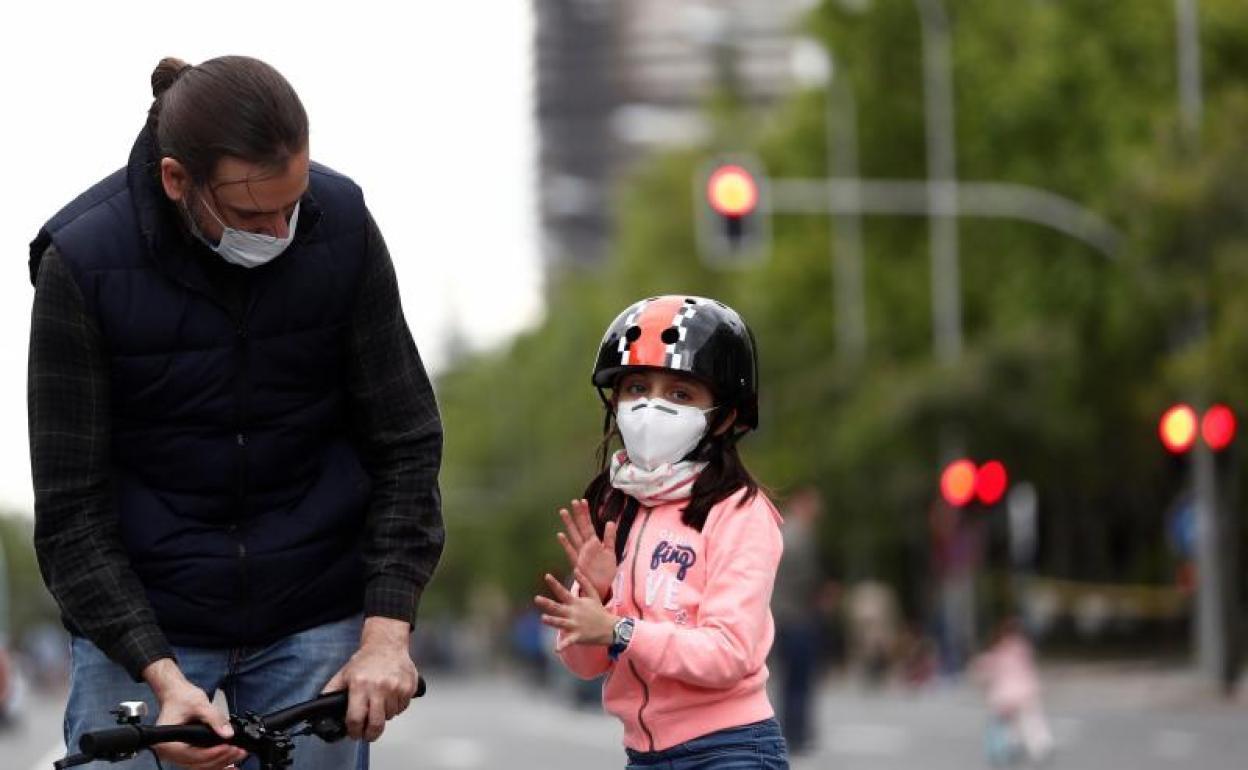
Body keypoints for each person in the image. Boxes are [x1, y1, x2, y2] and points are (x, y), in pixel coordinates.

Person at [27, 56, 444, 770]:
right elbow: (72, 514)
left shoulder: (341, 227)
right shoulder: (81, 263)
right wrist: (159, 675)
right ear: (176, 181)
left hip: (312, 609)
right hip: (144, 622)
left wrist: (385, 631)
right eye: (253, 214)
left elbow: (405, 440)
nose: (282, 228)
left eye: (293, 203)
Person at [535, 295, 789, 769]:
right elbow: (584, 666)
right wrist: (601, 593)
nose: (651, 407)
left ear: (726, 416)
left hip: (729, 750)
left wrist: (620, 629)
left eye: (680, 394)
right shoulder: (616, 507)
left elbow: (729, 653)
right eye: (636, 388)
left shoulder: (739, 511)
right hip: (644, 756)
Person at [771, 486, 824, 754]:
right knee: (799, 680)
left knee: (787, 680)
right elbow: (807, 581)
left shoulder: (782, 533)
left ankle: (790, 732)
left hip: (781, 616)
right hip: (797, 617)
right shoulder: (800, 536)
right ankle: (797, 734)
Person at [971, 618, 1055, 766]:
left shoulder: (998, 650)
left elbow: (986, 669)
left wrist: (982, 679)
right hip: (1025, 691)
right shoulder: (1023, 648)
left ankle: (1008, 747)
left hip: (1004, 694)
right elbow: (1029, 668)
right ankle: (1041, 745)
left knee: (1007, 723)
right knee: (1031, 720)